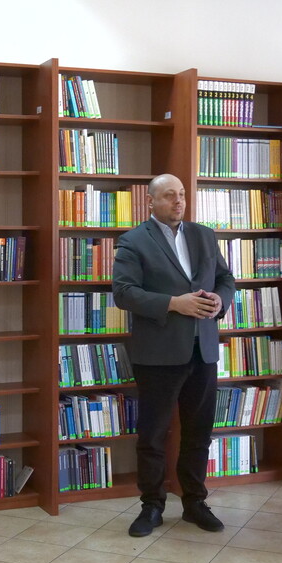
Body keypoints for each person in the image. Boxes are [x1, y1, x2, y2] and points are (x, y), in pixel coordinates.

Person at [112, 173, 236, 538]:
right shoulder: (134, 240)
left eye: (181, 194)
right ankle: (152, 505)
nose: (178, 201)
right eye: (169, 195)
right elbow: (123, 292)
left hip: (203, 350)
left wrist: (220, 301)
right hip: (158, 354)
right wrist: (173, 303)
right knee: (153, 435)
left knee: (199, 433)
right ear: (151, 201)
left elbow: (226, 279)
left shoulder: (204, 235)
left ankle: (195, 502)